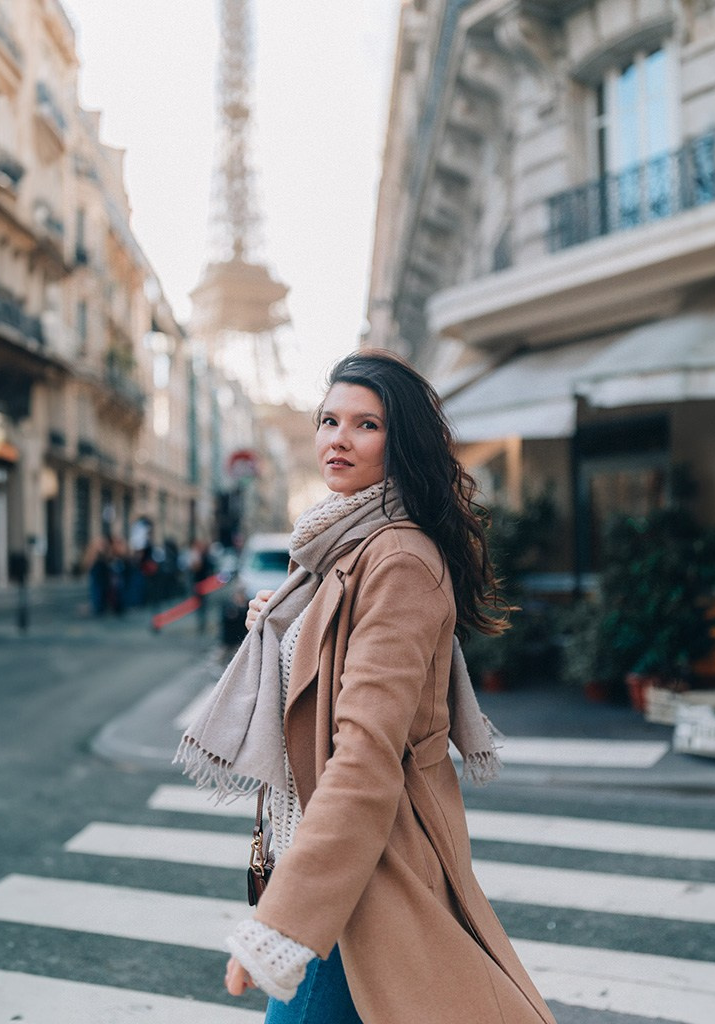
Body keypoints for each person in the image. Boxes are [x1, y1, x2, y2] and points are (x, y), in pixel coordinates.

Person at [176, 350, 557, 1024]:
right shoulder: (340, 549)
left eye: (365, 424)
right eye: (328, 420)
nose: (338, 439)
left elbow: (365, 755)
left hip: (362, 872)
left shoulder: (399, 558)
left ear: (400, 441)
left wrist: (281, 925)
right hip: (338, 864)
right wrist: (286, 628)